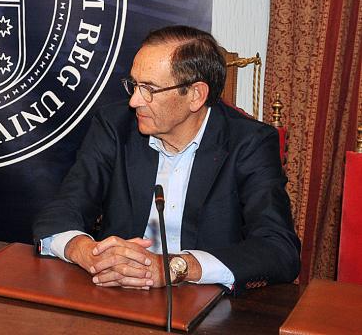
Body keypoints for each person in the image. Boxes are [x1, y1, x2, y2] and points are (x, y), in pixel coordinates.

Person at [33, 25, 300, 292]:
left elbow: (279, 249)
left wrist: (177, 267)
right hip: (120, 295)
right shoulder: (114, 127)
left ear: (195, 95)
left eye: (149, 88)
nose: (134, 101)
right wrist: (89, 252)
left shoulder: (248, 143)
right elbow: (61, 211)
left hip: (207, 303)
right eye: (134, 85)